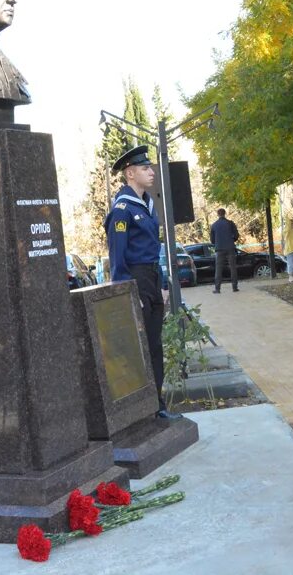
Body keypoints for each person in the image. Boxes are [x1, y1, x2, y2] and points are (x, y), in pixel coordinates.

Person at [104, 145, 181, 420]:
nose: (151, 171)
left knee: (154, 344)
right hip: (134, 280)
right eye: (145, 168)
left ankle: (157, 406)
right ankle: (142, 409)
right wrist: (126, 290)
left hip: (151, 278)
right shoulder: (123, 209)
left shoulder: (147, 204)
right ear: (130, 173)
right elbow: (117, 253)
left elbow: (152, 248)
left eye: (150, 167)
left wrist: (160, 284)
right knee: (140, 348)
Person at [210, 208, 240, 293]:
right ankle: (234, 287)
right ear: (225, 213)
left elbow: (212, 240)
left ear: (218, 214)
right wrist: (231, 240)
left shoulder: (214, 225)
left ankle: (217, 289)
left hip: (219, 249)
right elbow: (237, 235)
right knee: (233, 268)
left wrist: (218, 242)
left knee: (218, 269)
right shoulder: (230, 223)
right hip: (230, 248)